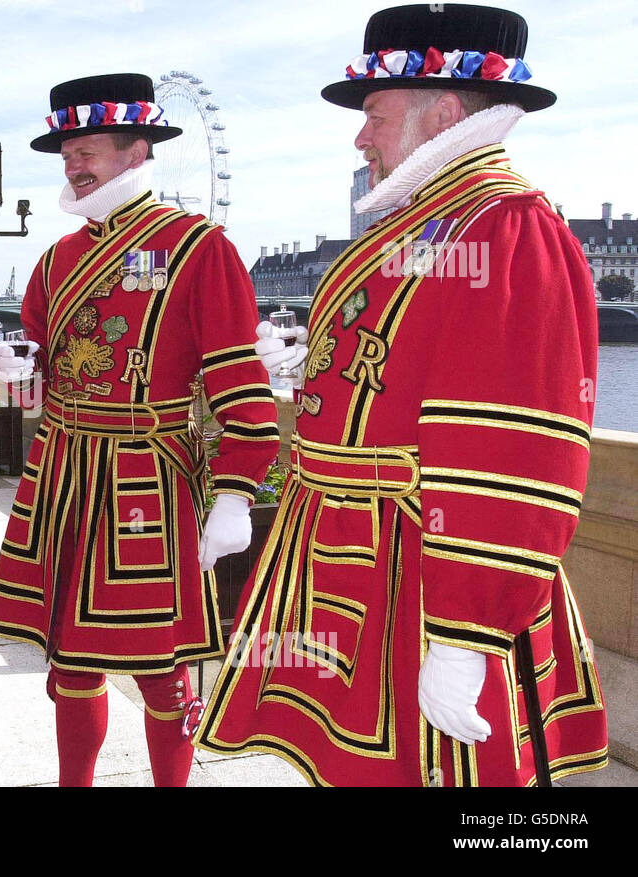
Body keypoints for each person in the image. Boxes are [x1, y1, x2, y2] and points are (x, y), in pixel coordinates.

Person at [196, 4, 608, 786]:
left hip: (425, 578)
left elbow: (517, 451)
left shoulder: (508, 229)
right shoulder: (436, 223)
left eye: (374, 116)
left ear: (445, 113)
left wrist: (466, 634)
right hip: (358, 558)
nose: (360, 137)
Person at [0, 74, 279, 786]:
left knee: (163, 667)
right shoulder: (55, 260)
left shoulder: (198, 249)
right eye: (66, 154)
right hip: (63, 476)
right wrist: (16, 372)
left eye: (87, 149)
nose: (73, 165)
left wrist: (236, 492)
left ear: (136, 149)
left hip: (148, 477)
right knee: (70, 663)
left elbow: (243, 385)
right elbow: (38, 379)